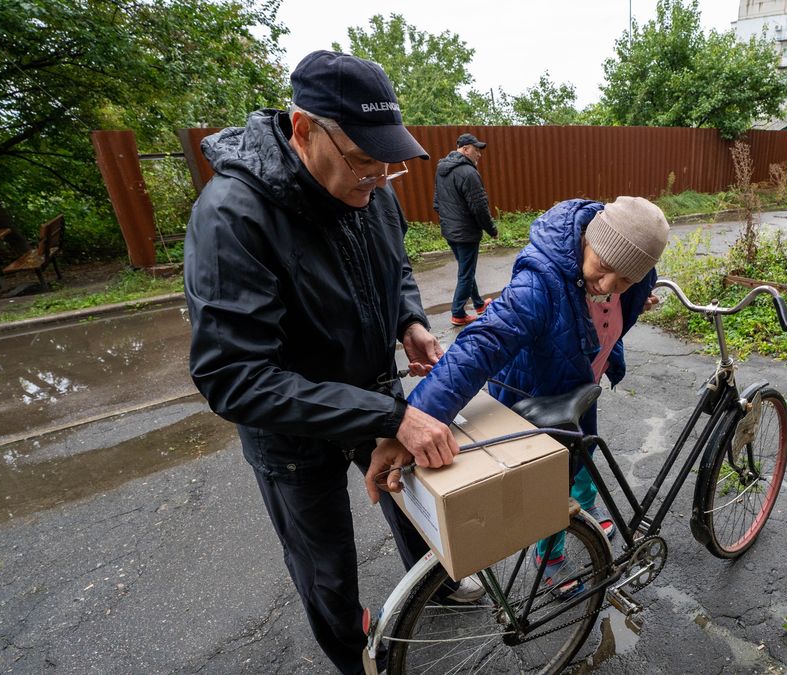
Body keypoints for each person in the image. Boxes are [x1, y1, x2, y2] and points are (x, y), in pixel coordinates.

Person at [183, 50, 475, 675]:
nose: (378, 177)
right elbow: (232, 377)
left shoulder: (372, 190)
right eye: (363, 160)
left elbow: (394, 267)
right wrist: (392, 416)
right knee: (326, 568)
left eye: (388, 162)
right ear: (302, 130)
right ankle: (355, 655)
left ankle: (438, 585)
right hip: (292, 434)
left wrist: (411, 322)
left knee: (414, 504)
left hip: (373, 396)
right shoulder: (232, 216)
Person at [365, 196, 669, 583]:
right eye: (604, 268)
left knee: (585, 463)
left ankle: (586, 525)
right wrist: (414, 420)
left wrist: (632, 298)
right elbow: (482, 345)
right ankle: (551, 564)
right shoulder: (542, 282)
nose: (608, 285)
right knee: (551, 488)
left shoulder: (628, 281)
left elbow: (611, 301)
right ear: (588, 241)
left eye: (625, 280)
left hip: (579, 389)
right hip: (536, 398)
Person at [434, 132, 498, 326]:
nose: (479, 154)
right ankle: (458, 313)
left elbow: (437, 202)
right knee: (466, 273)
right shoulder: (468, 172)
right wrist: (492, 230)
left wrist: (449, 221)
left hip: (450, 230)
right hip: (466, 233)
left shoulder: (442, 169)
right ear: (465, 149)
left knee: (466, 270)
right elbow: (479, 206)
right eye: (476, 150)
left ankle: (478, 304)